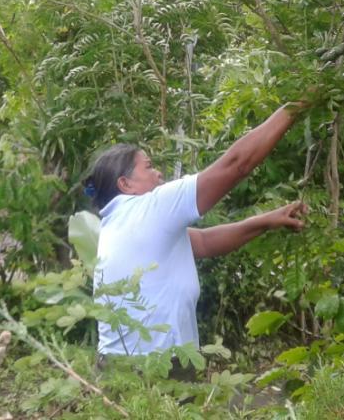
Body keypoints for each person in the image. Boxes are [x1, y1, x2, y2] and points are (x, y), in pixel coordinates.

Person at [86, 102, 310, 371]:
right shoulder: (150, 207)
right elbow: (237, 165)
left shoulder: (117, 223)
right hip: (158, 367)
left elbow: (203, 242)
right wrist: (295, 107)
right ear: (126, 184)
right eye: (148, 167)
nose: (158, 172)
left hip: (117, 365)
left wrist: (266, 221)